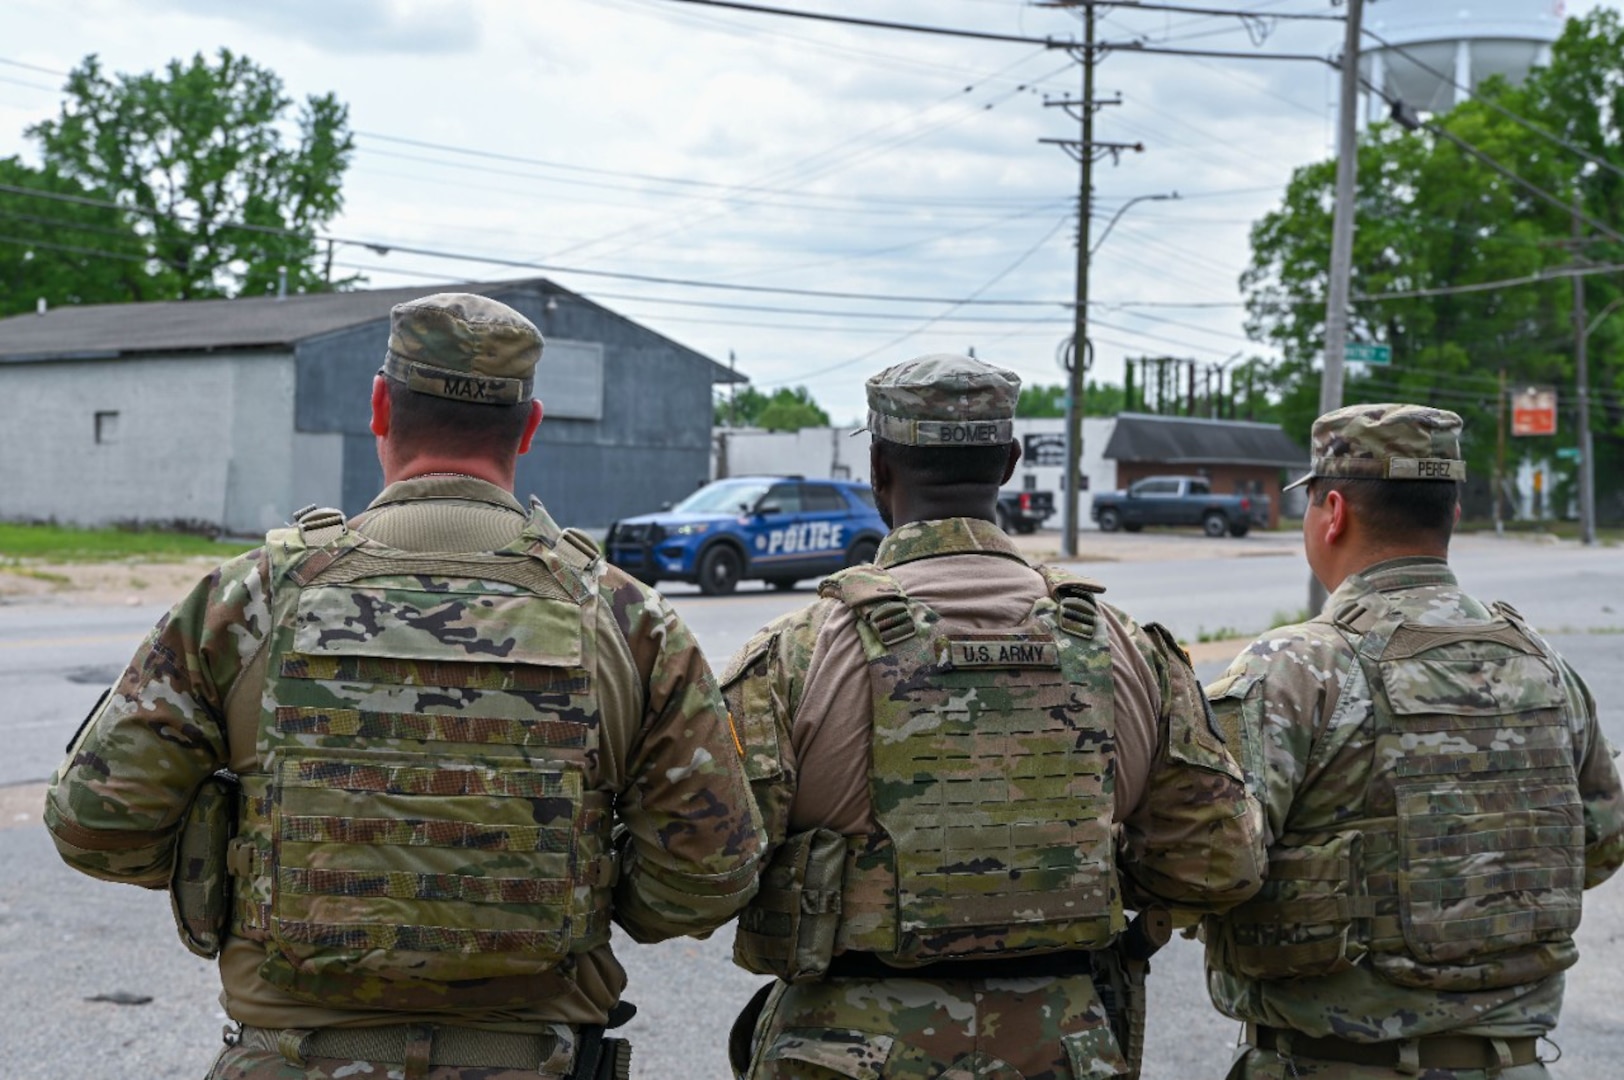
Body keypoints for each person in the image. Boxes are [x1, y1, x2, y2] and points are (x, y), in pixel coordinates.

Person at [44, 293, 765, 1080]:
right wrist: (568, 895)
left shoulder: (246, 601)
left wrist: (245, 865)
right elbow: (708, 875)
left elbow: (96, 826)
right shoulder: (629, 619)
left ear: (380, 406)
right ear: (529, 424)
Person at [719, 353, 1266, 1080]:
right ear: (1008, 463)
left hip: (842, 1049)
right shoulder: (1130, 650)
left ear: (879, 467)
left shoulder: (793, 657)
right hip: (1065, 1046)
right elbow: (1219, 864)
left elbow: (702, 871)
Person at [1202, 403, 1624, 1079]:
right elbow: (1600, 847)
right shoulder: (1543, 662)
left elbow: (1210, 866)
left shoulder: (1294, 668)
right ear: (1451, 515)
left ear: (1332, 512)